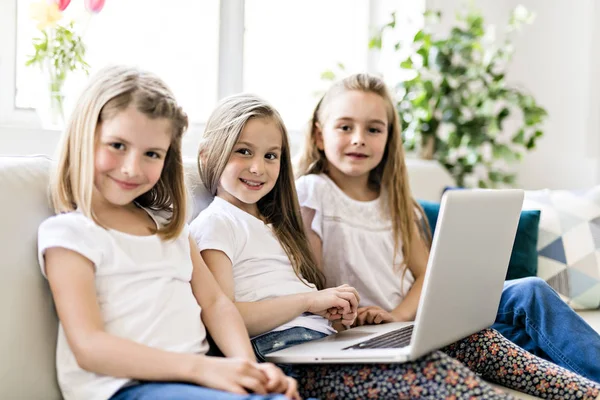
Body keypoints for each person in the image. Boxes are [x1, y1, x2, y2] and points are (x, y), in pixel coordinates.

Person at [190, 92, 600, 399]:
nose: (259, 167)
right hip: (287, 353)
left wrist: (334, 313)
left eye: (271, 156)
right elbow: (228, 316)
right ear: (210, 153)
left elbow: (295, 293)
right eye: (243, 152)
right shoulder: (216, 224)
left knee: (478, 340)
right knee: (433, 369)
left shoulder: (273, 223)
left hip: (321, 342)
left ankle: (587, 392)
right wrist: (308, 303)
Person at [295, 72, 600, 385]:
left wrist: (399, 314)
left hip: (416, 319)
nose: (359, 138)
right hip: (374, 334)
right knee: (527, 337)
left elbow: (427, 274)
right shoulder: (312, 192)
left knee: (529, 291)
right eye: (345, 127)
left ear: (388, 139)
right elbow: (313, 283)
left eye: (373, 129)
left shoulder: (396, 201)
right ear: (320, 135)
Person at [37, 66, 299, 400]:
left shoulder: (169, 226)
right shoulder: (70, 234)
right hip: (125, 388)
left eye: (151, 154)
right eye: (117, 145)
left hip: (193, 383)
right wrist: (202, 369)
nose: (132, 167)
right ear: (84, 138)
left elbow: (217, 304)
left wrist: (250, 371)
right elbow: (90, 346)